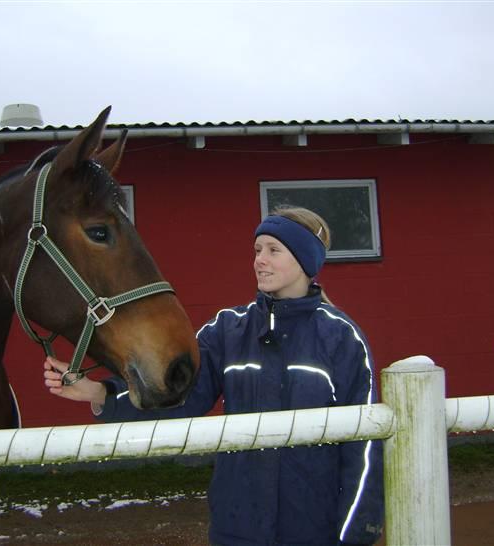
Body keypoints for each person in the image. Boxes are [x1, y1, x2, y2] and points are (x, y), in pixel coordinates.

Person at [44, 206, 384, 546]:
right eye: (257, 250)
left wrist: (354, 534)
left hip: (312, 531)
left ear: (304, 260)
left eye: (273, 250)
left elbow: (364, 449)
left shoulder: (342, 339)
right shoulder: (228, 330)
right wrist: (101, 394)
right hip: (237, 529)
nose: (259, 260)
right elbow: (177, 394)